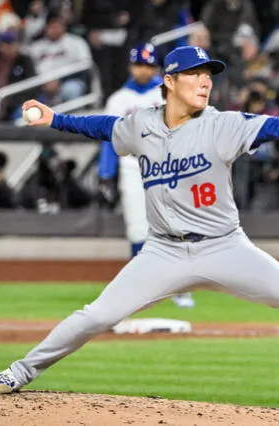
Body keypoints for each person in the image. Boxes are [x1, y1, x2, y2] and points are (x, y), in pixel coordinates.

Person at [0, 45, 279, 395]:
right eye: (194, 73)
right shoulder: (140, 126)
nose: (205, 80)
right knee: (95, 317)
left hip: (224, 245)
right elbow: (103, 126)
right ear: (169, 81)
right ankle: (20, 372)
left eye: (209, 74)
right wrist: (55, 118)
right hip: (163, 251)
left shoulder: (222, 125)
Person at [97, 42, 195, 309]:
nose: (144, 70)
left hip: (170, 168)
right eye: (140, 64)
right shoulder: (118, 100)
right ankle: (141, 288)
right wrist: (106, 173)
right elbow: (109, 139)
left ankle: (180, 287)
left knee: (177, 227)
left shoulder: (168, 93)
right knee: (138, 230)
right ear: (131, 66)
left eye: (149, 65)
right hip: (133, 169)